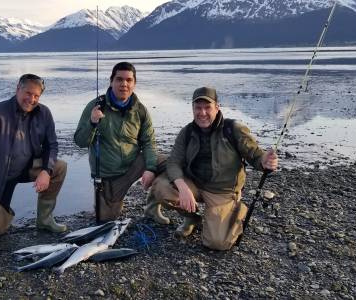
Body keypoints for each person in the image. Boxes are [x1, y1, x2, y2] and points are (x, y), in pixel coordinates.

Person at [149, 86, 278, 250]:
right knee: (161, 188)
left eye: (207, 107)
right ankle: (192, 218)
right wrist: (183, 188)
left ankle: (235, 209)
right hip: (194, 184)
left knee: (217, 243)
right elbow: (174, 162)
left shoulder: (234, 129)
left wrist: (265, 162)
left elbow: (256, 156)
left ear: (217, 107)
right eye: (198, 108)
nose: (202, 113)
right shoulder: (187, 132)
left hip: (222, 191)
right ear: (192, 108)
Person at [0, 74, 68, 235]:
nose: (31, 99)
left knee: (59, 167)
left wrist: (46, 171)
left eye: (36, 96)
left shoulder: (44, 113)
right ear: (18, 88)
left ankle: (44, 220)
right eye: (28, 93)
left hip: (27, 167)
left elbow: (51, 145)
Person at [74, 62, 167, 223]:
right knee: (105, 221)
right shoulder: (95, 106)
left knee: (167, 162)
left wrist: (150, 169)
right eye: (119, 79)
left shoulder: (141, 110)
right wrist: (92, 122)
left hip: (133, 165)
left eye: (129, 80)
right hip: (107, 178)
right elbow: (80, 142)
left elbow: (149, 142)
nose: (124, 84)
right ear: (111, 82)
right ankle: (111, 201)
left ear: (134, 83)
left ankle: (153, 204)